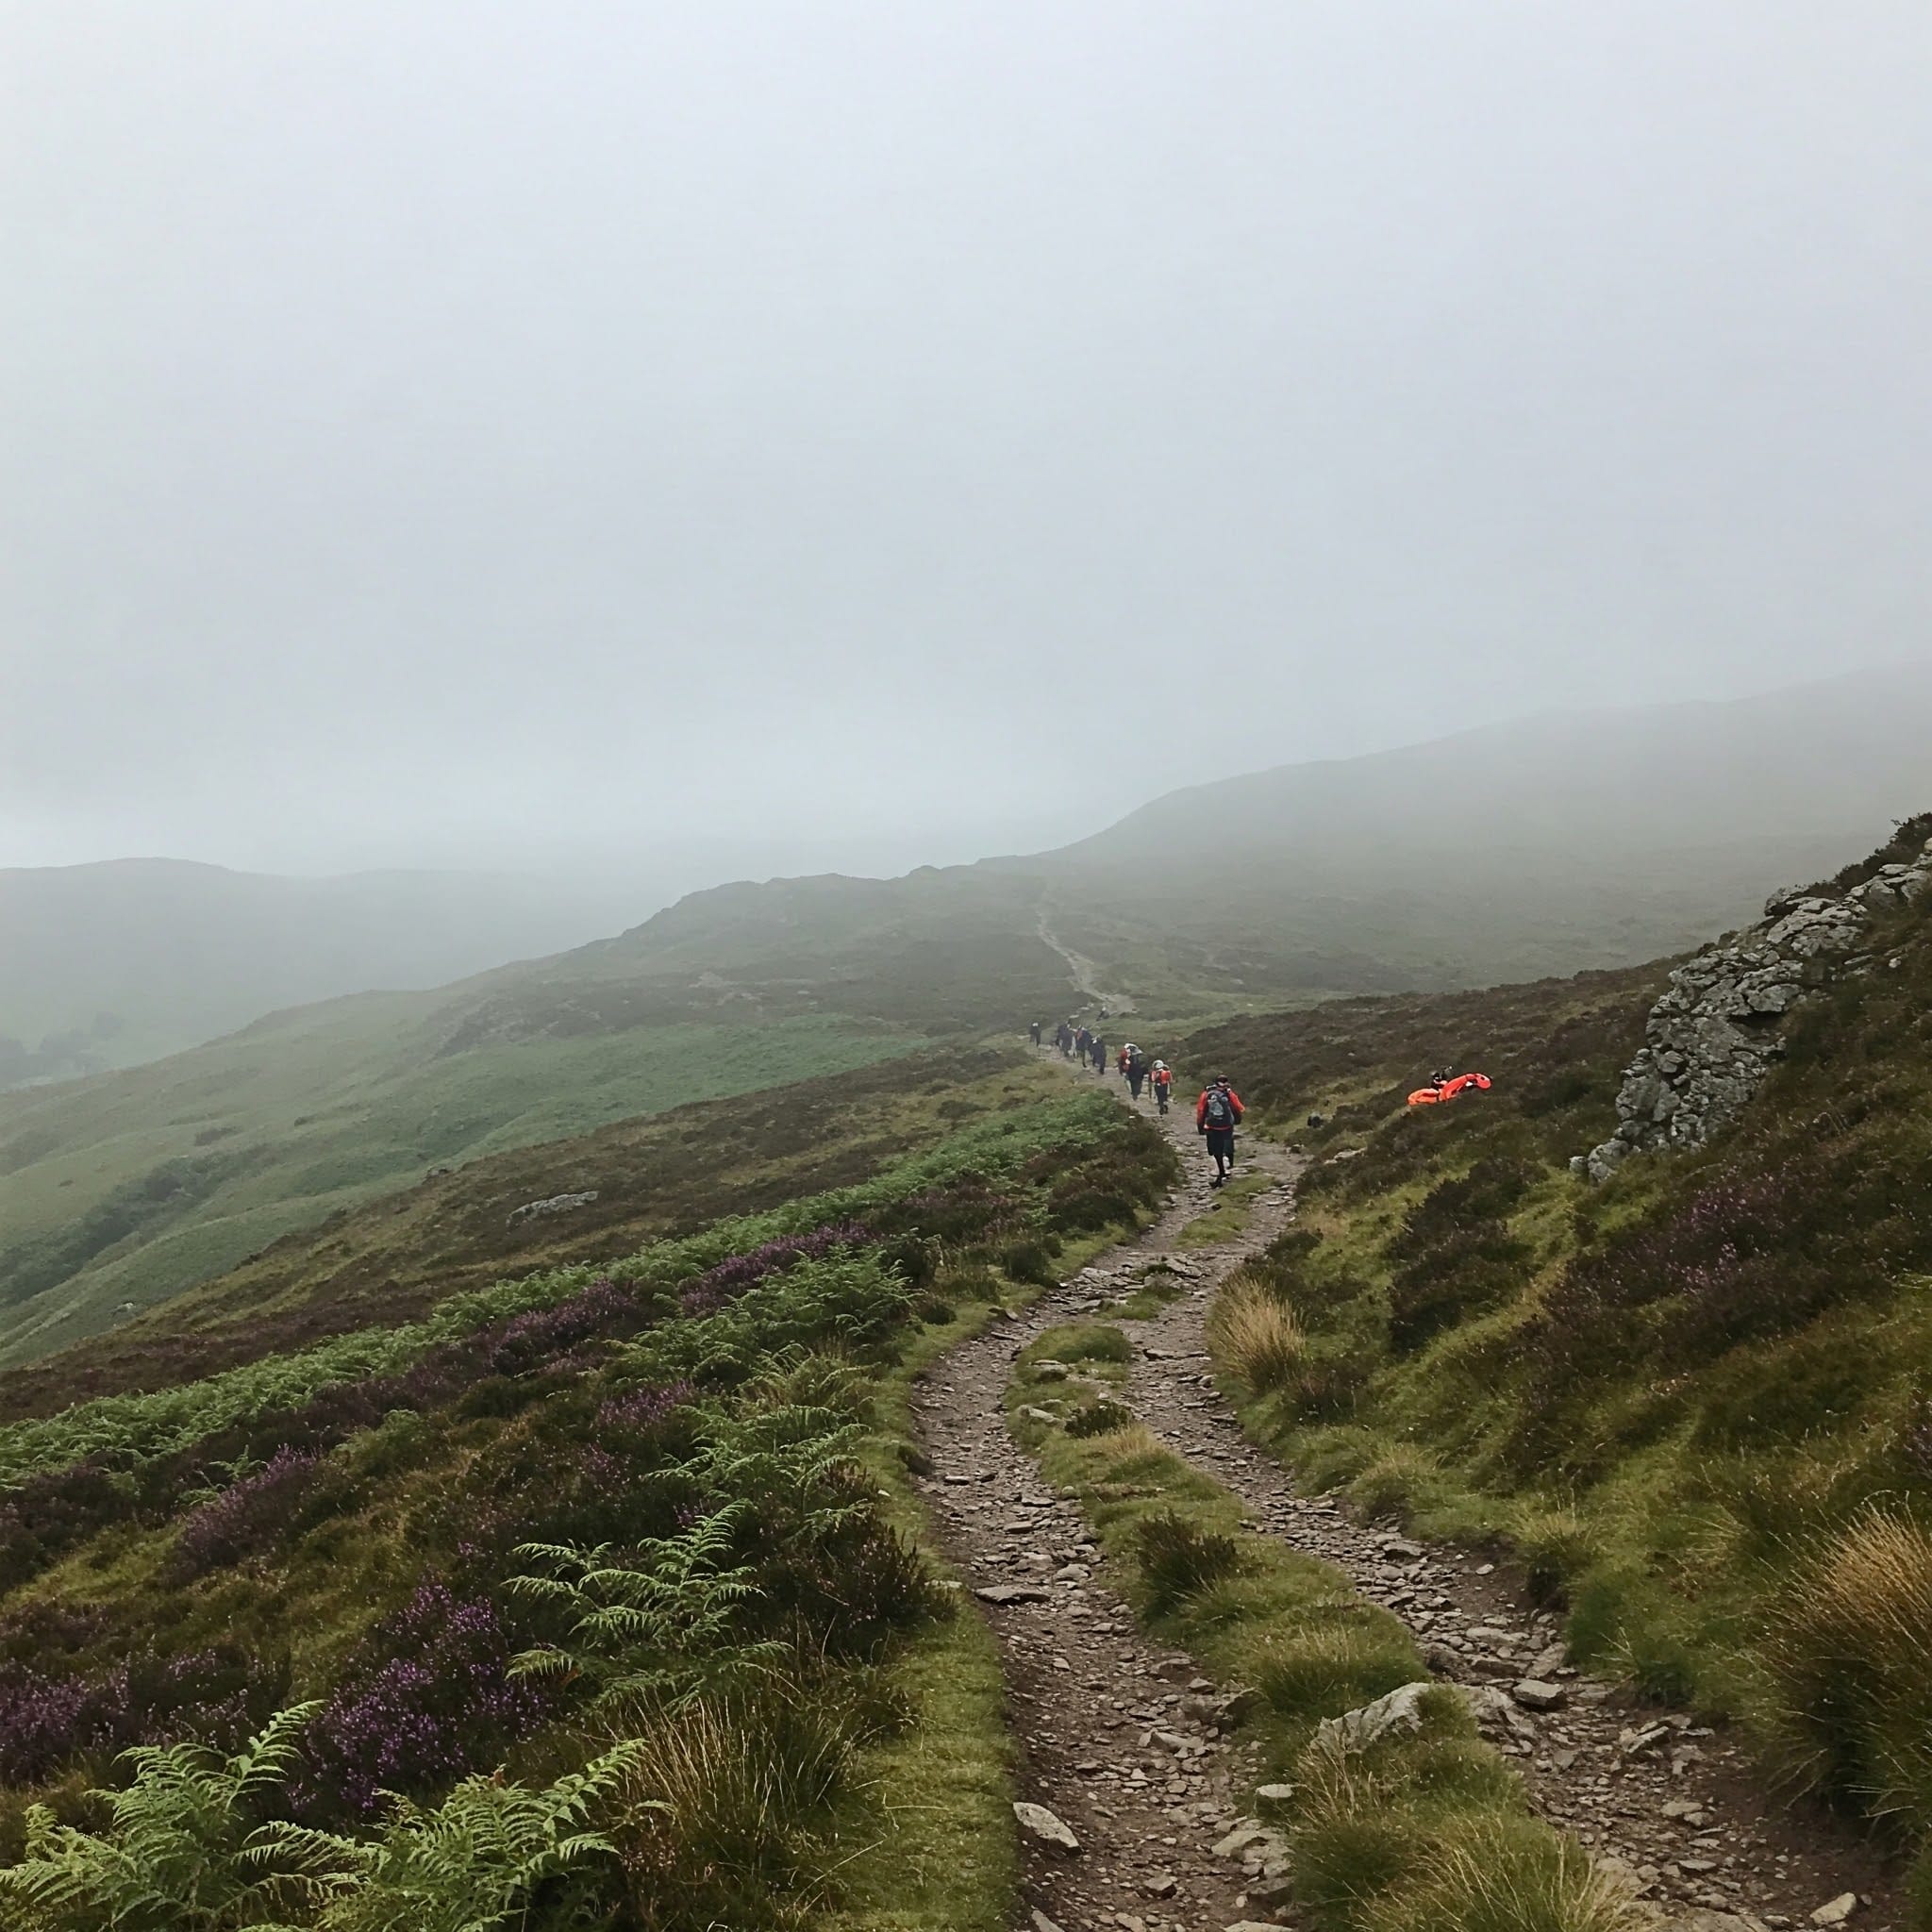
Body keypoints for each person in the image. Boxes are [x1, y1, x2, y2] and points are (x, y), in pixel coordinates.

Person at [1195, 1074, 1245, 1186]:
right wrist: (1236, 1119)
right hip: (1227, 1126)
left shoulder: (1207, 1093)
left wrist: (1200, 1124)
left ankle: (1220, 1171)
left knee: (1215, 1150)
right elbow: (1239, 1107)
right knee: (1227, 1146)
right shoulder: (1229, 1093)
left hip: (1212, 1126)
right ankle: (1227, 1167)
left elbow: (1201, 1110)